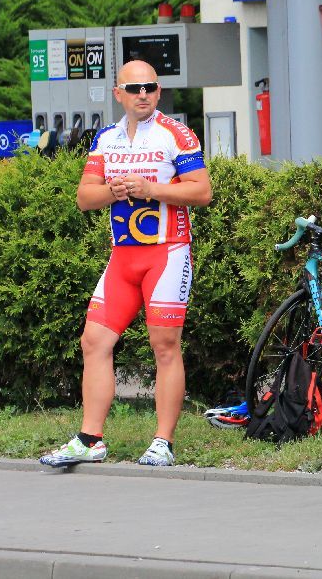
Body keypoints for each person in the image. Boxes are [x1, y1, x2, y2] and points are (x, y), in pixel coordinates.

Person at [40, 60, 213, 468]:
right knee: (94, 341)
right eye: (134, 89)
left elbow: (202, 191)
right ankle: (90, 439)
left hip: (166, 252)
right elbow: (85, 197)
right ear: (118, 93)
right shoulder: (106, 138)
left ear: (158, 91)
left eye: (150, 87)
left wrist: (151, 187)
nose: (143, 95)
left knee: (164, 345)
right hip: (124, 257)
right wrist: (115, 192)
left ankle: (163, 442)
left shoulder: (176, 133)